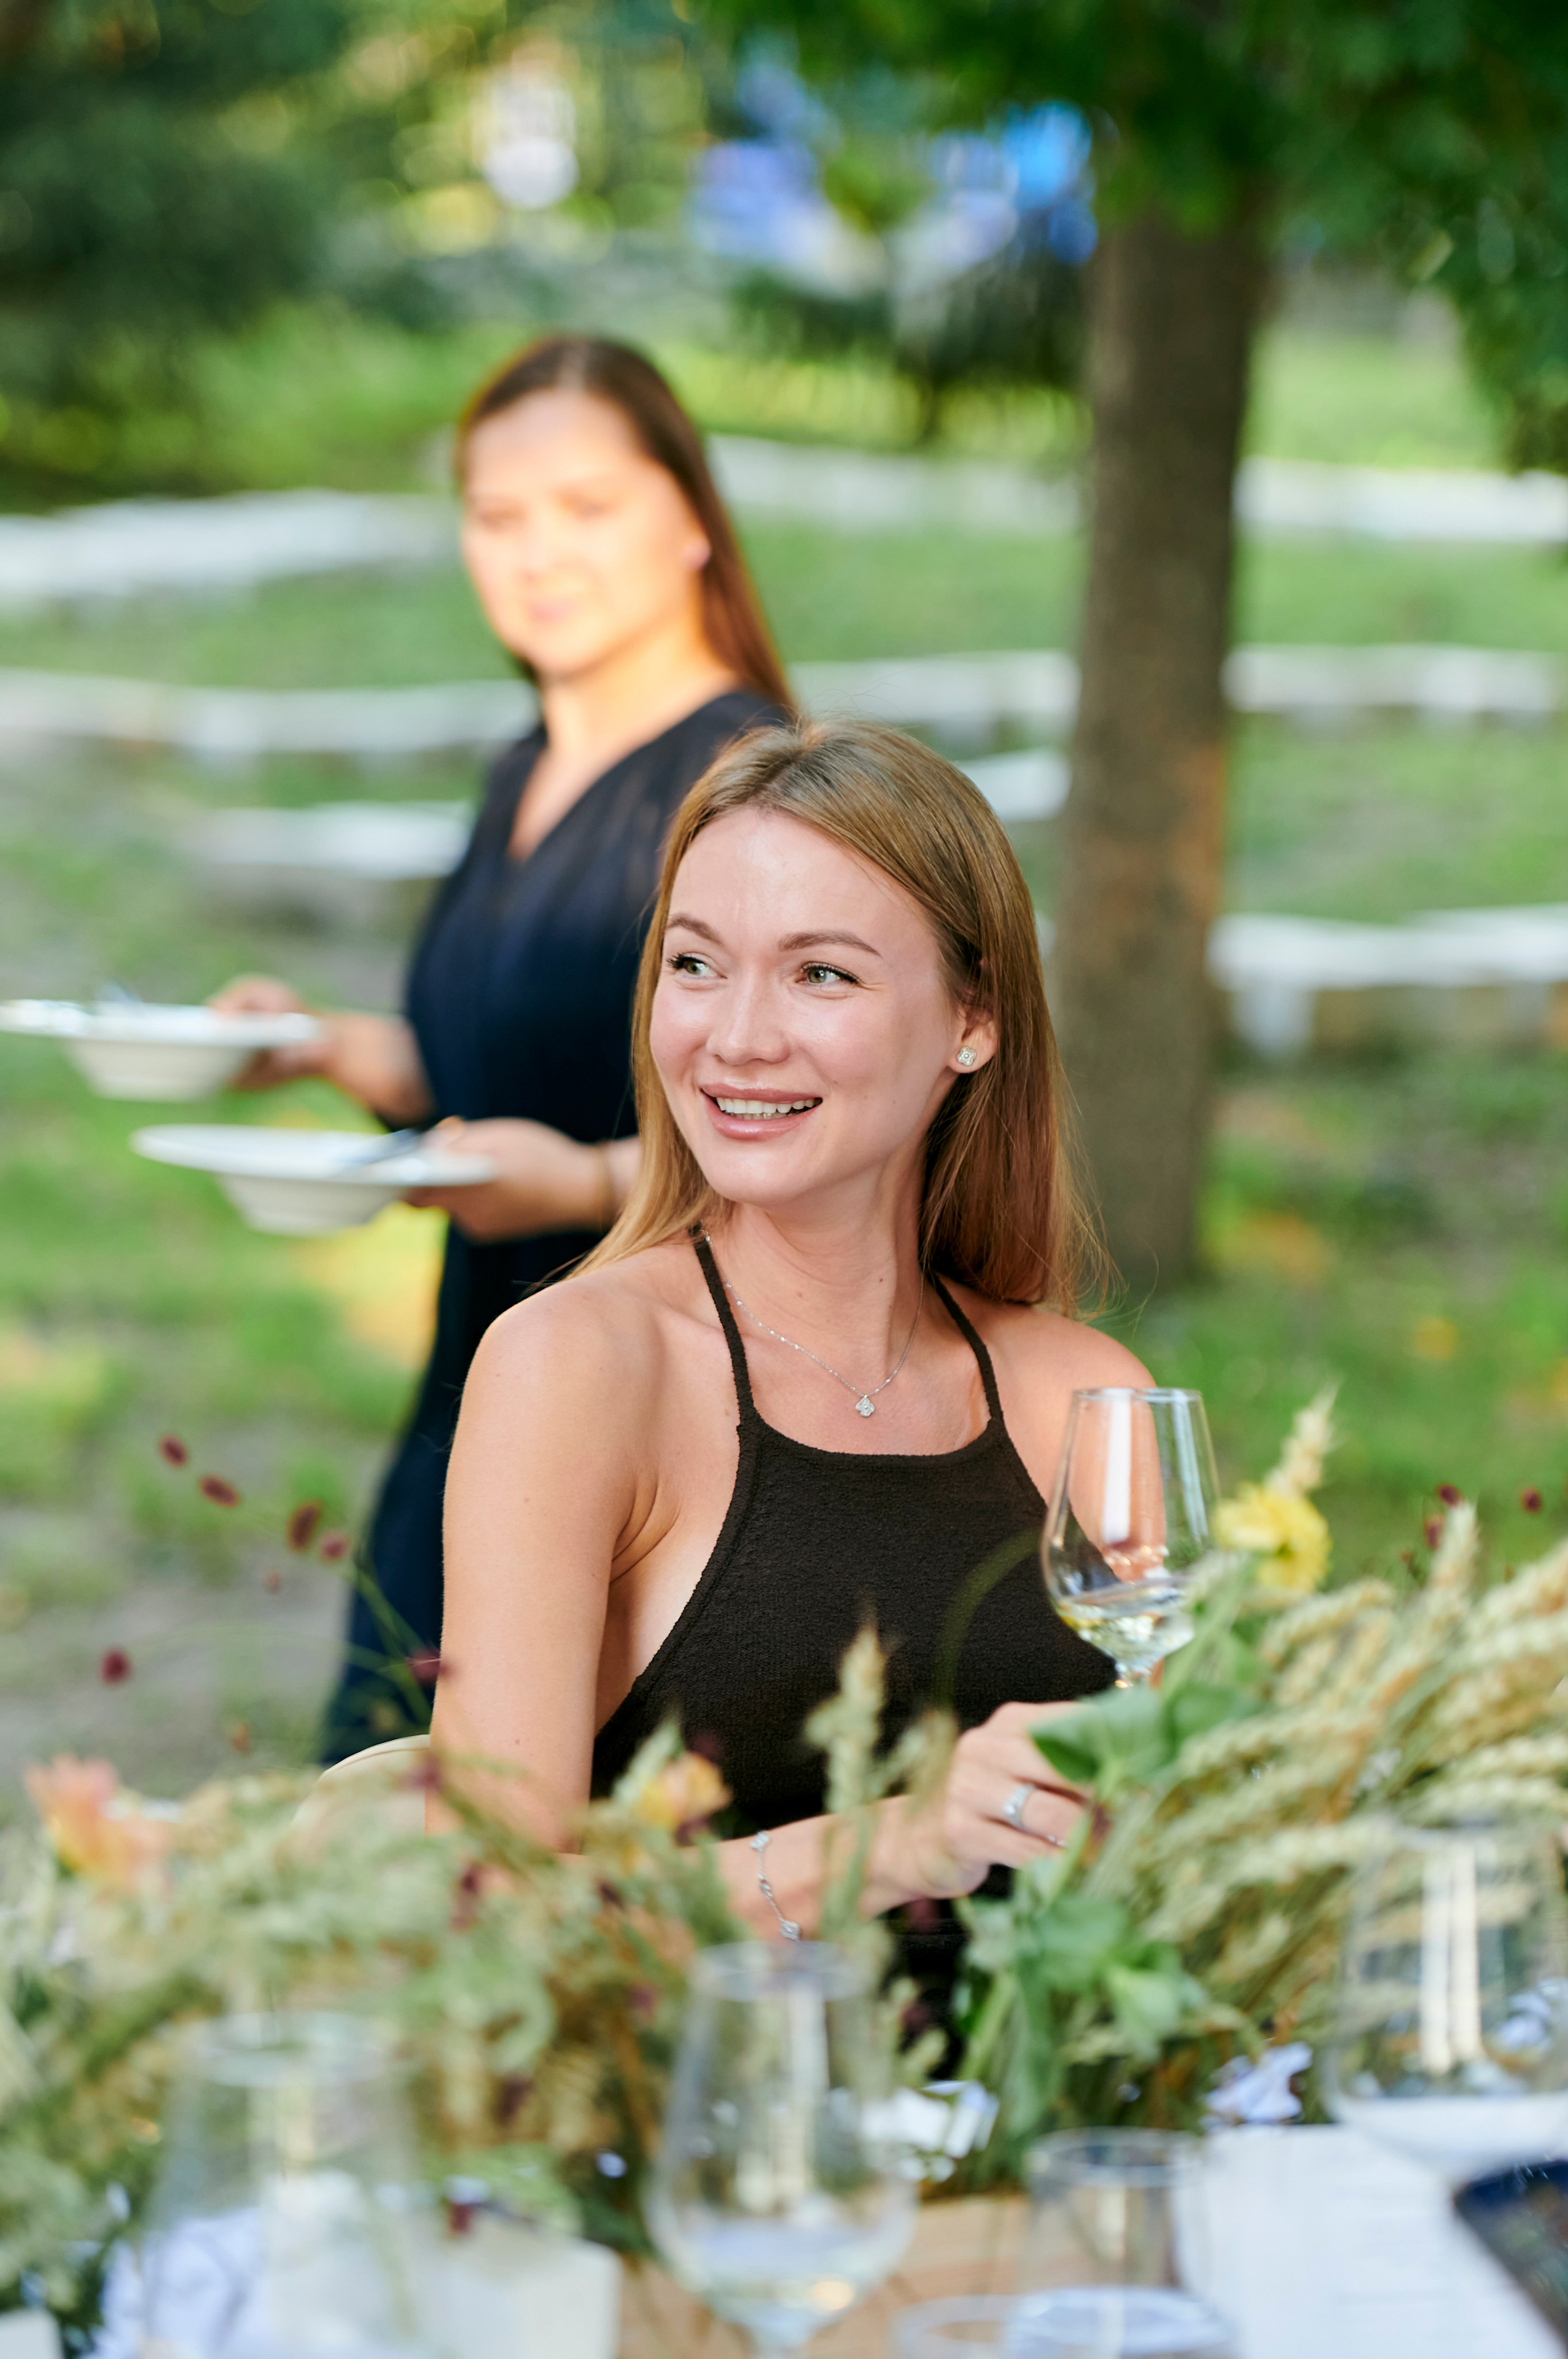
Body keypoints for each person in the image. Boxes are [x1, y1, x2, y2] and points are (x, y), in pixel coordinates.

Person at [434, 718, 1154, 1998]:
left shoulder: (1082, 1395)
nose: (737, 1038)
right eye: (695, 964)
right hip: (711, 2170)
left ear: (970, 1021)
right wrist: (897, 1844)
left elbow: (1203, 1828)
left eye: (819, 975)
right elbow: (493, 1919)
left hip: (1052, 2156)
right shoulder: (578, 1370)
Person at [213, 336, 792, 1759]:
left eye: (585, 508)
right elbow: (519, 1059)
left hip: (657, 1430)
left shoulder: (753, 788)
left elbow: (821, 1136)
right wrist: (343, 1051)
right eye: (498, 517)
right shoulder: (523, 766)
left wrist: (589, 1186)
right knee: (380, 1842)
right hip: (471, 1383)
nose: (538, 554)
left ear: (690, 519)